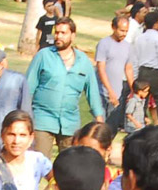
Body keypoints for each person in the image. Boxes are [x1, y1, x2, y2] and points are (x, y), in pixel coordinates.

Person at [23, 18, 105, 157]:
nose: (58, 36)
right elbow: (27, 88)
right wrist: (24, 116)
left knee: (70, 165)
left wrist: (99, 118)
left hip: (70, 122)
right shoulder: (43, 56)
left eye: (63, 33)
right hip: (42, 119)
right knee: (39, 162)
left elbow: (93, 92)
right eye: (57, 32)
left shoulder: (83, 61)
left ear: (73, 35)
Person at [126, 10, 158, 127]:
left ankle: (141, 122)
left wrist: (136, 76)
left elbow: (135, 59)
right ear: (155, 24)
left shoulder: (140, 38)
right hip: (156, 72)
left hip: (143, 71)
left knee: (142, 101)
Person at [95, 15, 133, 115]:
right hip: (102, 92)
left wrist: (133, 90)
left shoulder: (128, 46)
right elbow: (101, 69)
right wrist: (110, 91)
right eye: (121, 30)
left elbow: (128, 69)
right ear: (114, 28)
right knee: (100, 124)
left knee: (112, 126)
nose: (124, 34)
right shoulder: (104, 44)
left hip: (117, 92)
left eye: (126, 31)